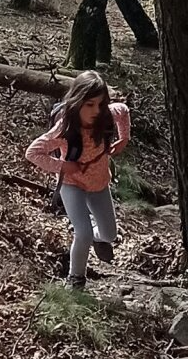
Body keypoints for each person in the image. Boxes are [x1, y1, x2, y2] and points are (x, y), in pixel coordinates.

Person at [26, 70, 132, 290]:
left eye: (100, 104)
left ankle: (96, 238)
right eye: (89, 104)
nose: (95, 111)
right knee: (81, 233)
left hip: (99, 184)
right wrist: (62, 166)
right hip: (71, 184)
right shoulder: (66, 127)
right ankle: (76, 280)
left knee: (109, 235)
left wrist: (124, 138)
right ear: (77, 101)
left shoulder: (107, 115)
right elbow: (33, 152)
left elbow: (123, 110)